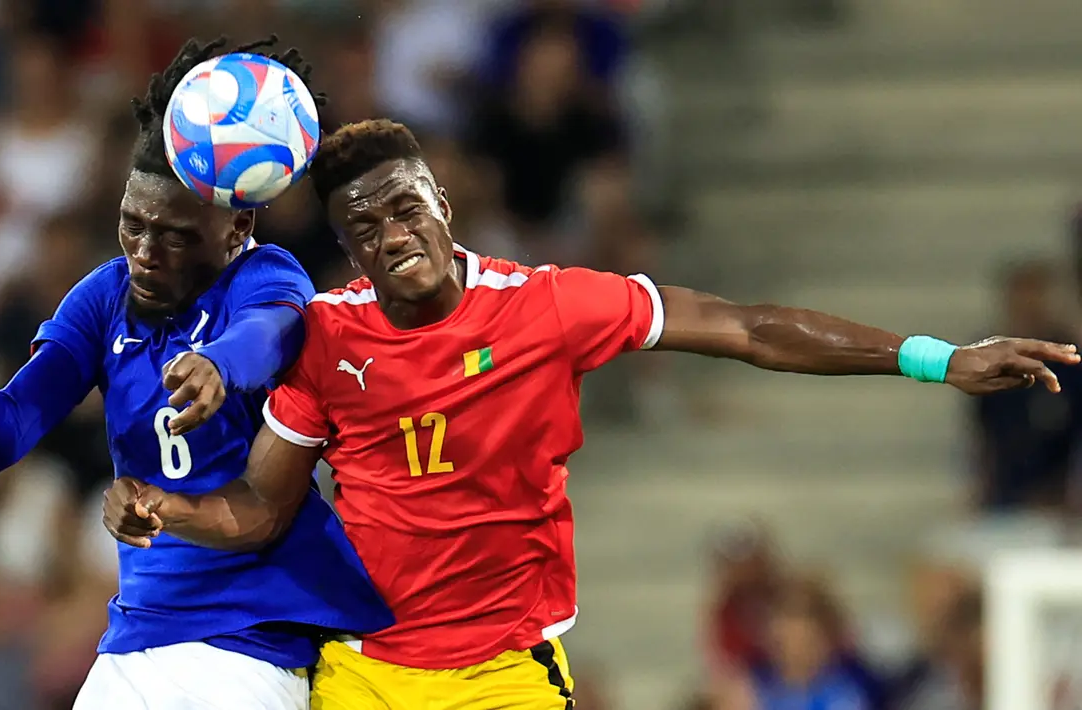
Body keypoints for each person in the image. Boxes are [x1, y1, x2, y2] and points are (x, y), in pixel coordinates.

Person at [102, 119, 1078, 709]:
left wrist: (934, 356)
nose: (392, 235)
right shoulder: (324, 339)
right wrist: (163, 509)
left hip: (505, 676)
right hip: (360, 672)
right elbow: (262, 510)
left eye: (404, 207)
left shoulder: (548, 304)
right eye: (364, 227)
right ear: (349, 252)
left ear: (442, 200)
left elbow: (741, 325)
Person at [0, 39, 393, 710]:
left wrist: (219, 364)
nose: (143, 251)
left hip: (251, 634)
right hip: (140, 627)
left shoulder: (266, 276)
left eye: (171, 234)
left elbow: (271, 332)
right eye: (131, 225)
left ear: (234, 229)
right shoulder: (102, 298)